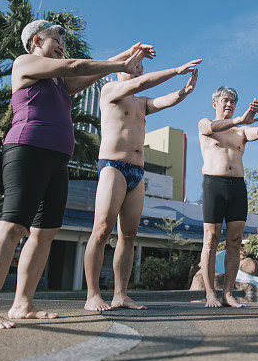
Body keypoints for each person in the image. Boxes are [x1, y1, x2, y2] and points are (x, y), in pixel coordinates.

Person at [0, 19, 152, 329]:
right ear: (35, 41)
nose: (60, 45)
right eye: (55, 39)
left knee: (45, 232)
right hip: (27, 150)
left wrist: (129, 54)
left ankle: (22, 304)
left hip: (57, 159)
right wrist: (121, 61)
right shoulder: (25, 63)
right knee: (13, 226)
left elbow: (91, 72)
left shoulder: (58, 84)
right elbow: (74, 65)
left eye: (62, 41)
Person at [83, 56, 202, 311]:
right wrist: (175, 69)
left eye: (140, 67)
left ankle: (120, 294)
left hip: (137, 172)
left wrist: (183, 91)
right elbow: (143, 84)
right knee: (102, 229)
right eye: (135, 66)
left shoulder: (141, 103)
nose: (139, 70)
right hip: (113, 167)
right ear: (120, 70)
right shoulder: (110, 91)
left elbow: (162, 101)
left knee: (129, 235)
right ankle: (93, 295)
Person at [198, 86, 258, 308]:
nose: (229, 104)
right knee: (210, 239)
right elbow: (210, 127)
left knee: (235, 241)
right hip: (213, 184)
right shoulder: (205, 123)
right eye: (226, 100)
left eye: (233, 102)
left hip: (237, 186)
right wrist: (240, 119)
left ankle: (228, 294)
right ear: (215, 103)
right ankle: (210, 293)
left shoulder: (242, 131)